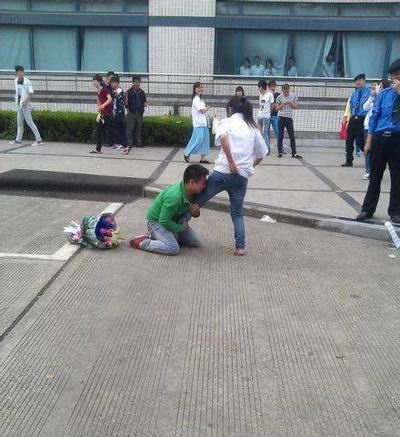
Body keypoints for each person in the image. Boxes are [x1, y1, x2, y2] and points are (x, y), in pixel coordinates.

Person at [191, 96, 269, 256]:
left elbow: (223, 138)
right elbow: (262, 153)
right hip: (241, 177)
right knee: (237, 213)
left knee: (198, 199)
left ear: (231, 108)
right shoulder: (253, 128)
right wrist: (248, 166)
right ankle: (240, 247)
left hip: (222, 173)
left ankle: (179, 225)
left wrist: (232, 163)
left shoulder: (226, 122)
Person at [130, 164, 209, 255]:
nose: (204, 186)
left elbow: (191, 213)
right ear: (192, 182)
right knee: (173, 248)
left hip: (173, 220)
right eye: (203, 183)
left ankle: (166, 236)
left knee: (196, 242)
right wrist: (180, 228)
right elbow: (163, 220)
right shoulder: (174, 197)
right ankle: (142, 242)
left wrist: (196, 213)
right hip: (156, 222)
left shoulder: (192, 192)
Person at [356, 59, 400, 224]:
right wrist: (368, 142)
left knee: (397, 177)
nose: (395, 78)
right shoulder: (384, 94)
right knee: (375, 176)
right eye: (393, 75)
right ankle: (367, 209)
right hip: (380, 139)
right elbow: (374, 117)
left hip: (397, 139)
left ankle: (395, 211)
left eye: (398, 75)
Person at [341, 73, 371, 167]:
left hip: (363, 118)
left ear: (364, 81)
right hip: (353, 118)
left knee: (360, 141)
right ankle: (349, 160)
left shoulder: (369, 92)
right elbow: (350, 106)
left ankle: (371, 158)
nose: (358, 82)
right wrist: (346, 117)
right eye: (356, 81)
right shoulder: (354, 93)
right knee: (349, 140)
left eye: (360, 80)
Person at [9, 65, 43, 146]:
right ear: (16, 73)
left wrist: (25, 102)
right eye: (20, 72)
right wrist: (18, 102)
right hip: (19, 105)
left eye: (22, 72)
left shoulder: (28, 82)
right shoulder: (15, 80)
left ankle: (39, 140)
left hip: (26, 106)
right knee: (19, 123)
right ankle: (18, 140)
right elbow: (17, 93)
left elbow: (31, 94)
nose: (22, 73)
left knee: (30, 122)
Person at [184, 81, 211, 164]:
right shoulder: (196, 99)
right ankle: (187, 153)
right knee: (198, 139)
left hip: (204, 123)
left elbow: (203, 112)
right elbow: (202, 111)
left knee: (205, 140)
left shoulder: (201, 100)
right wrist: (207, 108)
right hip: (198, 124)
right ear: (195, 89)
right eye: (198, 87)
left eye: (201, 87)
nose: (200, 89)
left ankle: (203, 158)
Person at [276, 84, 302, 158]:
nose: (286, 93)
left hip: (289, 118)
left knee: (292, 136)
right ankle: (280, 152)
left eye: (287, 91)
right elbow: (276, 108)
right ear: (282, 90)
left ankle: (294, 153)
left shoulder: (293, 96)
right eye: (285, 92)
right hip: (281, 117)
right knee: (280, 136)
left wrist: (291, 103)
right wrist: (282, 105)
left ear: (289, 90)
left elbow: (296, 107)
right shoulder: (279, 97)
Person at [90, 74, 113, 154]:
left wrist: (103, 105)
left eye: (95, 81)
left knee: (113, 130)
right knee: (98, 131)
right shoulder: (98, 91)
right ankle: (98, 149)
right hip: (102, 114)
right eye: (93, 81)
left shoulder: (104, 90)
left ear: (99, 82)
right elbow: (99, 101)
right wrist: (99, 108)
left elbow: (110, 99)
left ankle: (125, 145)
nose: (94, 83)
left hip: (108, 114)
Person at [125, 76, 148, 154]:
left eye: (139, 82)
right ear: (133, 82)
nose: (137, 83)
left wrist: (145, 104)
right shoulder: (128, 92)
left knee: (139, 128)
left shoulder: (142, 92)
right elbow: (126, 103)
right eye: (136, 82)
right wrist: (128, 112)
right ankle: (129, 143)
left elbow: (144, 101)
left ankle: (139, 143)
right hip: (131, 113)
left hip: (139, 113)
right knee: (130, 129)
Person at [110, 75, 128, 151]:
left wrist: (117, 113)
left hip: (119, 114)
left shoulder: (120, 92)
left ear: (117, 83)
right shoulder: (113, 91)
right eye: (111, 83)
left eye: (112, 83)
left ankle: (124, 145)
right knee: (116, 130)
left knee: (120, 130)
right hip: (114, 113)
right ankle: (122, 145)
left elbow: (121, 104)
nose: (111, 84)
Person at [257, 79, 274, 149]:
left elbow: (272, 105)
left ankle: (267, 148)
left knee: (265, 133)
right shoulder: (260, 95)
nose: (258, 89)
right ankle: (260, 148)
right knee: (259, 133)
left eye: (259, 87)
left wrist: (268, 113)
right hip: (260, 115)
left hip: (266, 116)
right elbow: (260, 105)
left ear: (261, 87)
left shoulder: (270, 95)